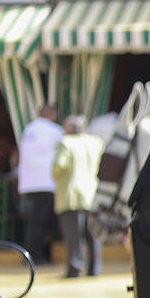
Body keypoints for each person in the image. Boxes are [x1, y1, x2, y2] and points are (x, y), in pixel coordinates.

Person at [52, 114, 105, 278]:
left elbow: (59, 166)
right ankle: (94, 269)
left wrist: (56, 174)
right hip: (93, 194)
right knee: (93, 234)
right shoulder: (97, 143)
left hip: (72, 194)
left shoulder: (65, 143)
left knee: (74, 235)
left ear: (69, 129)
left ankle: (74, 269)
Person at [15, 103, 63, 265]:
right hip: (47, 183)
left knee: (34, 222)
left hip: (29, 183)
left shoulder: (29, 129)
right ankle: (37, 257)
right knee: (43, 223)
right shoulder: (54, 130)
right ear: (52, 115)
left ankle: (30, 256)